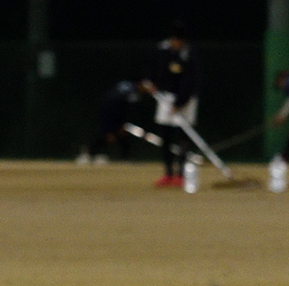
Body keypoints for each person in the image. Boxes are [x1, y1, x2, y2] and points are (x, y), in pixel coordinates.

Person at [140, 20, 201, 188]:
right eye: (175, 40)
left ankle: (181, 174)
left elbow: (190, 80)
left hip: (186, 100)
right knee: (165, 135)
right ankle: (168, 173)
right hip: (165, 97)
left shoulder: (189, 54)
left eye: (180, 41)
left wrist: (180, 102)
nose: (177, 44)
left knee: (182, 136)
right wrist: (150, 81)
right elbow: (152, 68)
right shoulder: (162, 50)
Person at [76, 80, 142, 166]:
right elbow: (129, 109)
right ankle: (89, 153)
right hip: (110, 113)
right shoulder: (131, 93)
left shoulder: (128, 89)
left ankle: (125, 158)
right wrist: (110, 129)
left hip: (116, 113)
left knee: (122, 136)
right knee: (108, 136)